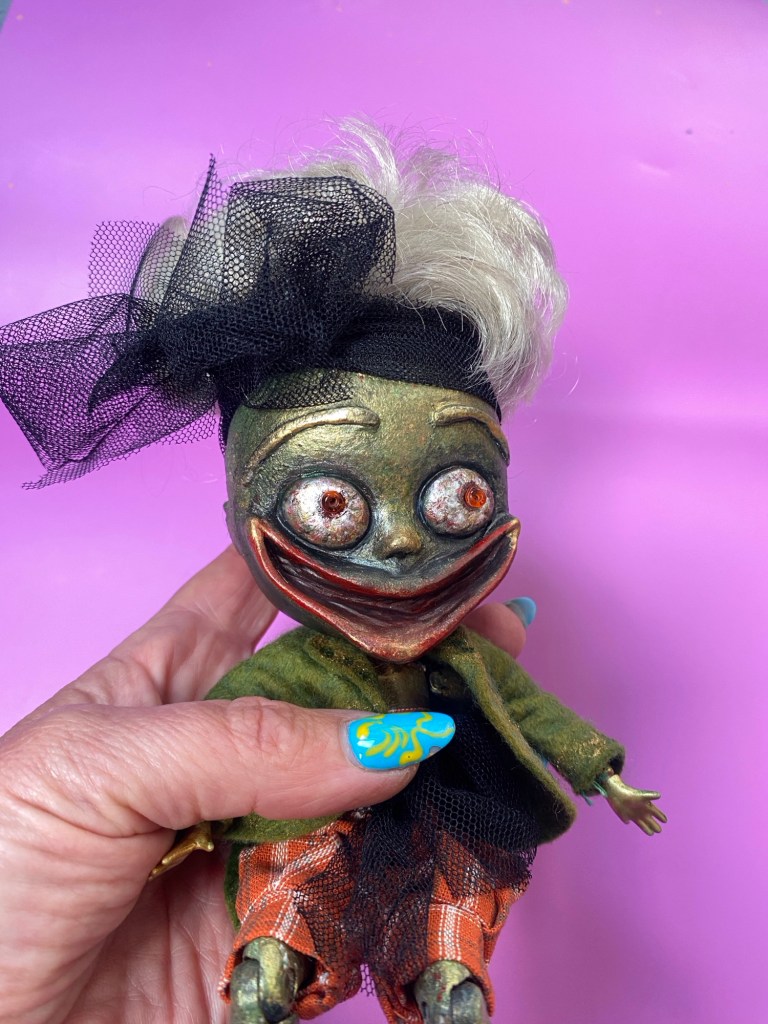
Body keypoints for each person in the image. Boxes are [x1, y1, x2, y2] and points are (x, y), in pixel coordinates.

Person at [0, 545, 533, 1024]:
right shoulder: (308, 653)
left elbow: (534, 711)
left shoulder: (465, 654)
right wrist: (197, 811)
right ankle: (268, 970)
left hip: (438, 798)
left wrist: (583, 763)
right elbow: (232, 710)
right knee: (292, 881)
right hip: (314, 811)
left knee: (451, 887)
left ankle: (448, 976)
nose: (398, 550)